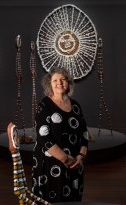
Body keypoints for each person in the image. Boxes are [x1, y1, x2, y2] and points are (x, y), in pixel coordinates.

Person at [32, 67, 89, 203]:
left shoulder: (75, 105)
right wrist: (65, 158)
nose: (60, 83)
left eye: (63, 79)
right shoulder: (44, 105)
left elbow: (84, 133)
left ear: (68, 82)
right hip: (52, 164)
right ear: (49, 84)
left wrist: (80, 157)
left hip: (75, 163)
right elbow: (43, 137)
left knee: (73, 198)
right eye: (55, 80)